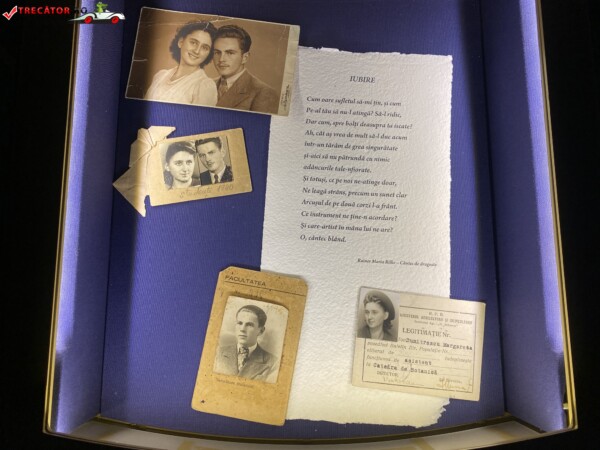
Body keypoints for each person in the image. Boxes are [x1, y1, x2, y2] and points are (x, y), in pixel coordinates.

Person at [145, 21, 218, 106]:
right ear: (181, 42)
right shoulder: (160, 76)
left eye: (205, 48)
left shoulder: (205, 86)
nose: (197, 51)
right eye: (193, 42)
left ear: (209, 53)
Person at [212, 25, 279, 113]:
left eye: (230, 53)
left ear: (245, 58)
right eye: (217, 52)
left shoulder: (264, 93)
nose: (221, 59)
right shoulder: (205, 84)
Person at [214, 305, 279, 382]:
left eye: (249, 325)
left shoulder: (273, 363)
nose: (242, 329)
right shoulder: (217, 353)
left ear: (261, 331)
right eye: (239, 323)